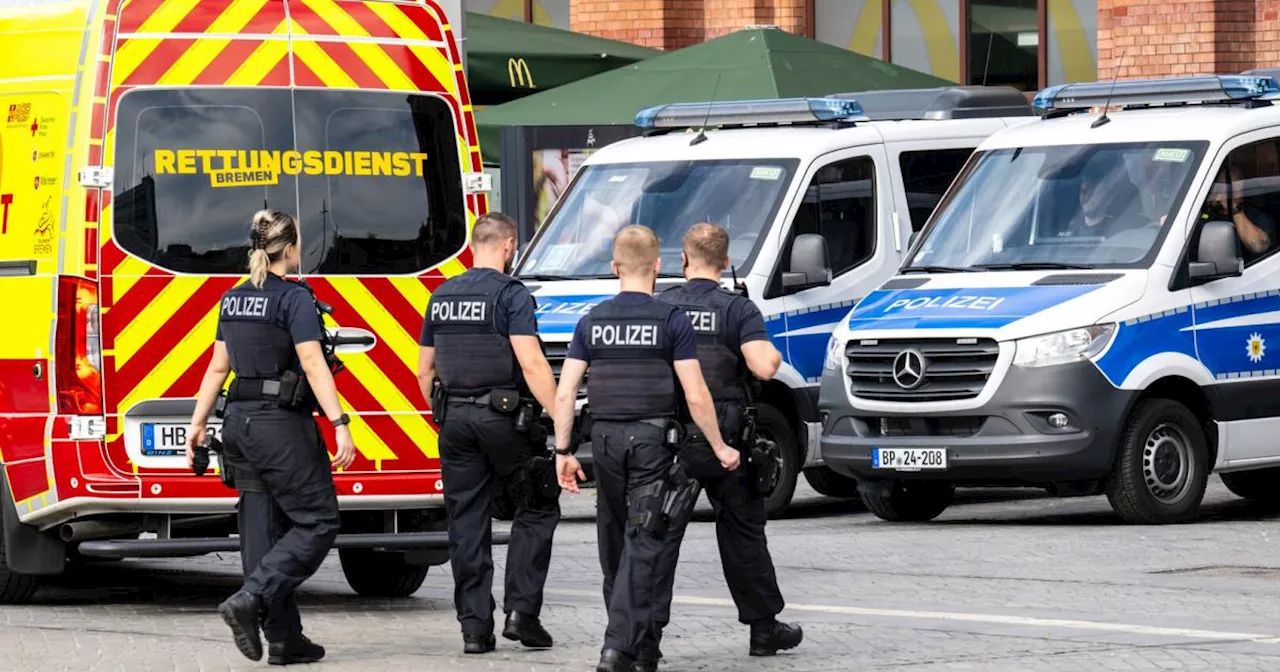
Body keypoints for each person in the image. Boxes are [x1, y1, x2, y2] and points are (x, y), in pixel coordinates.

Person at [552, 224, 741, 672]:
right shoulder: (671, 319)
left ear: (614, 267)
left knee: (616, 544)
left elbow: (566, 393)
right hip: (652, 443)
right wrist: (719, 445)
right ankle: (619, 646)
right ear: (658, 266)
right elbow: (696, 394)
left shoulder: (591, 320)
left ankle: (644, 649)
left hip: (603, 443)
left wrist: (562, 452)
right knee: (643, 542)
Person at [186, 210, 354, 666]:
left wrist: (198, 423)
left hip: (238, 424)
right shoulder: (295, 299)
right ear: (292, 248)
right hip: (280, 426)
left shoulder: (233, 298)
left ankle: (283, 638)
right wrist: (340, 424)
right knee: (317, 521)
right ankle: (251, 597)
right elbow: (314, 364)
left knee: (260, 529)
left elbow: (218, 368)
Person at [639, 223, 803, 670]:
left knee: (658, 535)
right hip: (727, 437)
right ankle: (764, 629)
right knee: (743, 531)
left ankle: (646, 637)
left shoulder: (661, 304)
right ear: (726, 262)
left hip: (670, 438)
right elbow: (763, 368)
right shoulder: (737, 308)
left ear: (684, 260)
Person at [417, 212, 561, 654]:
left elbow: (425, 370)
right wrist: (561, 419)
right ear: (508, 244)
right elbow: (533, 362)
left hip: (456, 422)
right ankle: (522, 613)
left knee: (467, 523)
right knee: (536, 504)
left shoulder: (440, 295)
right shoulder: (510, 295)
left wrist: (442, 413)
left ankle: (475, 629)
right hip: (505, 420)